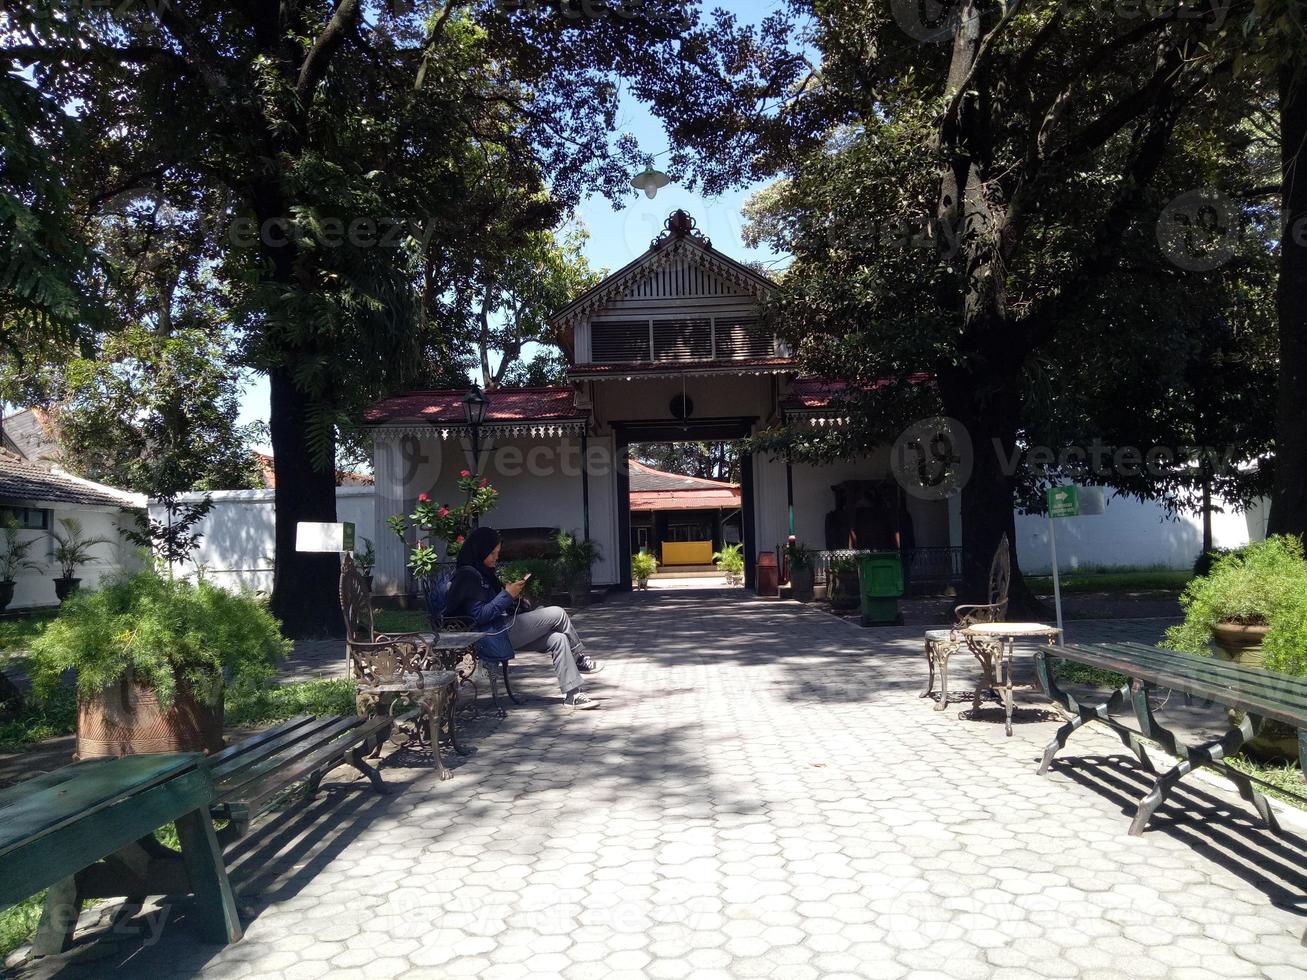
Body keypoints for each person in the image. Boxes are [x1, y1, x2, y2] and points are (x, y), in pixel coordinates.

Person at [445, 526, 602, 709]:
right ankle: (579, 658)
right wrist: (507, 596)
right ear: (480, 550)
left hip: (501, 630)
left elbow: (495, 602)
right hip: (492, 635)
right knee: (558, 613)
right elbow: (480, 615)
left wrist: (515, 600)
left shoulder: (483, 573)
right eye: (493, 553)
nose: (496, 557)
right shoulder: (468, 577)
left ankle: (572, 695)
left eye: (498, 553)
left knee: (558, 639)